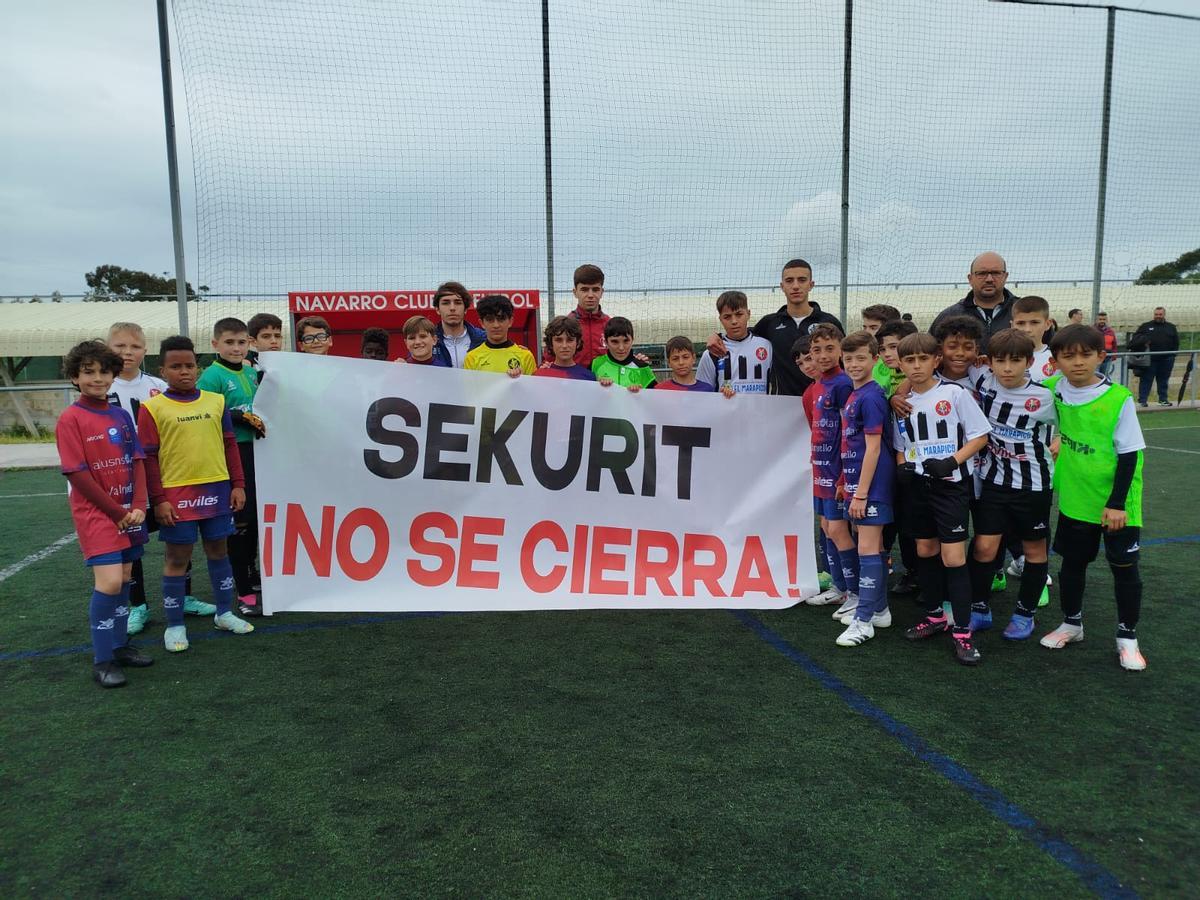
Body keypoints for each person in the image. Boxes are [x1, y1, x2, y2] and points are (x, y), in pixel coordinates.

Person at [138, 335, 255, 652]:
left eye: (189, 365)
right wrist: (159, 499)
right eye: (176, 366)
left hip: (217, 490)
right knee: (177, 559)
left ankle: (224, 613)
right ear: (163, 370)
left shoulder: (215, 402)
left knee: (219, 552)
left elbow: (231, 445)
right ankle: (175, 625)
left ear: (198, 368)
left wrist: (238, 484)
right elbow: (148, 457)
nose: (184, 371)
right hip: (176, 496)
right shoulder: (152, 408)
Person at [1042, 324, 1147, 671]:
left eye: (1086, 355)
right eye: (1067, 356)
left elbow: (1130, 454)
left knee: (1124, 569)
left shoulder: (1119, 399)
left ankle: (1127, 637)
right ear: (1055, 361)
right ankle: (1072, 624)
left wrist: (1117, 503)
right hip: (1075, 497)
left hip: (1116, 503)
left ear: (1101, 357)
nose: (1077, 363)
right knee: (1072, 564)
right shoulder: (1055, 387)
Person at [57, 341, 155, 687]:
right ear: (74, 377)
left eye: (103, 371)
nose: (97, 378)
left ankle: (119, 645)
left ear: (113, 375)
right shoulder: (71, 418)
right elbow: (76, 473)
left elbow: (138, 460)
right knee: (110, 581)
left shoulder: (120, 414)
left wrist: (140, 504)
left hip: (129, 511)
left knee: (126, 576)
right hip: (99, 513)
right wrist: (116, 511)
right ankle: (102, 661)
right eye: (88, 372)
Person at [106, 322, 214, 632]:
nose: (128, 353)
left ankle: (185, 597)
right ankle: (137, 605)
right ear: (108, 347)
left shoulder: (158, 385)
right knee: (132, 544)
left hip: (166, 477)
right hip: (124, 481)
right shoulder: (103, 385)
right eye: (120, 347)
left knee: (179, 538)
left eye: (135, 347)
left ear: (145, 351)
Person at [892, 333, 991, 665]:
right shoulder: (902, 403)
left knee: (953, 557)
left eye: (923, 359)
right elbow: (901, 445)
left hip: (950, 486)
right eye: (909, 360)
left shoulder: (954, 393)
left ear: (936, 360)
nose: (916, 366)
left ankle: (962, 631)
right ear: (902, 365)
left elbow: (980, 435)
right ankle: (935, 616)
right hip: (919, 487)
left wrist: (952, 462)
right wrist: (905, 466)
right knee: (925, 550)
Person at [964, 329, 1058, 640]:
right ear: (989, 362)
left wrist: (1058, 440)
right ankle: (979, 608)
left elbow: (1071, 424)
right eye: (999, 360)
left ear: (1029, 362)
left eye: (1015, 361)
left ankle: (1024, 614)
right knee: (984, 547)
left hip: (1033, 487)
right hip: (993, 482)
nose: (1006, 368)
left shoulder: (1045, 397)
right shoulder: (983, 379)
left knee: (1033, 551)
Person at [196, 317, 266, 617]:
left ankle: (252, 576)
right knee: (241, 521)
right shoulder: (211, 376)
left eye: (241, 342)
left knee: (257, 519)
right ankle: (244, 592)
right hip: (232, 454)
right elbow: (203, 412)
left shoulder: (251, 374)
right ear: (215, 344)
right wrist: (236, 418)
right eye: (229, 342)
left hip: (258, 451)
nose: (236, 348)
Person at [834, 331, 895, 647]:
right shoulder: (854, 395)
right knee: (870, 544)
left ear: (875, 359)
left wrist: (861, 493)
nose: (854, 364)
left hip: (872, 486)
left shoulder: (871, 396)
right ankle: (880, 609)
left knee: (868, 547)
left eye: (861, 358)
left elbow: (873, 449)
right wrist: (846, 481)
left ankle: (863, 621)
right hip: (858, 482)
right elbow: (852, 444)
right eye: (849, 358)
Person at [706, 258, 843, 396]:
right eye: (789, 281)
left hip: (825, 399)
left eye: (802, 280)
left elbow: (842, 361)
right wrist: (716, 336)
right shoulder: (770, 323)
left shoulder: (829, 323)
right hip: (783, 406)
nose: (795, 286)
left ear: (811, 284)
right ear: (782, 286)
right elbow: (741, 334)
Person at [803, 324, 858, 613]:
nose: (823, 356)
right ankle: (839, 588)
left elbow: (850, 433)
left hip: (838, 472)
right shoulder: (814, 388)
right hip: (820, 472)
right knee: (827, 527)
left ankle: (856, 594)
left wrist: (842, 475)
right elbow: (814, 429)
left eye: (829, 349)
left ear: (840, 350)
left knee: (838, 529)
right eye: (816, 350)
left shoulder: (843, 384)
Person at [929, 251, 1018, 352]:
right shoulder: (950, 316)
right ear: (970, 279)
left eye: (996, 273)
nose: (989, 279)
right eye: (982, 273)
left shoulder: (1024, 312)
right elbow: (930, 355)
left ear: (1005, 277)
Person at [696, 291, 772, 394]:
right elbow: (702, 392)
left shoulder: (766, 346)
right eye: (727, 317)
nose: (734, 321)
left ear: (748, 314)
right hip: (725, 410)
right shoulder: (712, 353)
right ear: (720, 319)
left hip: (759, 409)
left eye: (739, 314)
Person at [546, 264, 610, 367]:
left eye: (595, 290)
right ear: (575, 292)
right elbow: (549, 361)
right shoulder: (564, 326)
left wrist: (636, 360)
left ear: (602, 292)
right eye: (584, 290)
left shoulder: (610, 325)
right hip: (573, 381)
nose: (590, 295)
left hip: (605, 382)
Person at [463, 295, 537, 377]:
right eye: (490, 319)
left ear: (510, 321)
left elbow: (532, 389)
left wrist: (519, 381)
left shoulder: (525, 356)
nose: (496, 325)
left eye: (501, 319)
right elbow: (469, 389)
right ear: (482, 323)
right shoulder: (472, 357)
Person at [1130, 306, 1179, 407]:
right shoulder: (1145, 326)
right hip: (1149, 360)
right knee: (1146, 380)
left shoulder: (1171, 327)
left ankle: (1163, 400)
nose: (1158, 316)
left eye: (1160, 314)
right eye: (1156, 314)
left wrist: (1172, 355)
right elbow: (1135, 339)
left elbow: (1176, 343)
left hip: (1166, 360)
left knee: (1163, 381)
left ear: (1164, 315)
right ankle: (1142, 401)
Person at [592, 317, 656, 391]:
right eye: (615, 342)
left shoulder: (642, 367)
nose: (621, 348)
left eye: (626, 341)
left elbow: (653, 399)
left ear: (632, 340)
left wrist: (639, 395)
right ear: (606, 342)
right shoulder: (595, 364)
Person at [431, 281, 485, 368]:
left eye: (458, 302)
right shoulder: (426, 340)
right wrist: (403, 364)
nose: (452, 308)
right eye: (446, 303)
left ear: (465, 309)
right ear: (437, 309)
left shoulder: (484, 339)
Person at [534, 316, 598, 381]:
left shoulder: (589, 377)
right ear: (551, 343)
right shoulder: (539, 376)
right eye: (559, 340)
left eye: (570, 340)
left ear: (578, 343)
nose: (564, 346)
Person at [1009, 296, 1056, 380]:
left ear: (1048, 324)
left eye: (1034, 322)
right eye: (1020, 323)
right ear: (1012, 326)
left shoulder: (1057, 359)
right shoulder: (1000, 358)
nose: (1027, 330)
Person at [873, 319, 916, 398]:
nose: (887, 354)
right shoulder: (887, 373)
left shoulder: (922, 375)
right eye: (882, 349)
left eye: (893, 347)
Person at [1095, 311, 1117, 378]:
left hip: (1108, 358)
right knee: (1096, 376)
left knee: (1105, 376)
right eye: (1100, 319)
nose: (1102, 321)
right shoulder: (1092, 330)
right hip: (1096, 357)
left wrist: (1114, 357)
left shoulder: (1110, 331)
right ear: (1096, 320)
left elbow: (1114, 344)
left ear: (1106, 320)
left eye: (1104, 319)